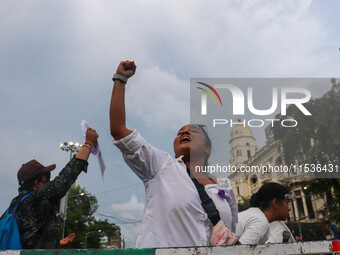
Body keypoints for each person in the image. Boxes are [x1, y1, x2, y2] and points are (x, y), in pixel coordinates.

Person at [109, 61, 238, 248]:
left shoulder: (225, 186)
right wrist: (120, 79)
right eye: (179, 132)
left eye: (192, 131)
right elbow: (119, 131)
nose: (184, 133)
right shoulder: (160, 166)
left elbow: (231, 237)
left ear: (208, 148)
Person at [0, 128, 99, 249]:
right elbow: (65, 178)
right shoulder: (37, 198)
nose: (50, 183)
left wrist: (55, 244)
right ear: (37, 183)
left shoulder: (13, 206)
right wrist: (88, 144)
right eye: (47, 180)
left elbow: (28, 238)